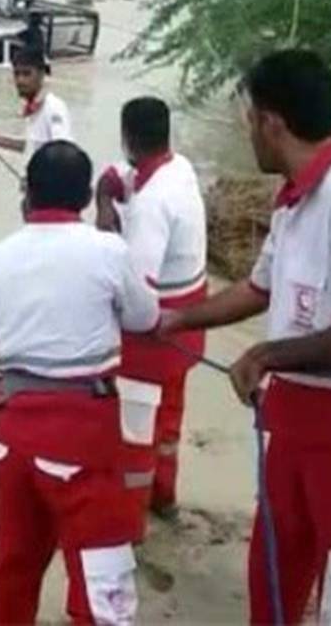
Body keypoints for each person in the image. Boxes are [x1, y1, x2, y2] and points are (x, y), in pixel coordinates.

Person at [160, 49, 331, 625]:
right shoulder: (293, 203)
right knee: (276, 560)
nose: (247, 130)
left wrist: (265, 354)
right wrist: (177, 318)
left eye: (249, 118)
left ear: (272, 123)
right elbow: (259, 288)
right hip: (297, 417)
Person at [0, 139, 159, 625]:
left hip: (11, 430)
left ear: (28, 195)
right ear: (83, 199)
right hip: (82, 437)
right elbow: (145, 317)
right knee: (101, 575)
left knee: (12, 561)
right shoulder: (108, 251)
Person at [93, 96, 208, 535]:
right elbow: (114, 176)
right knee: (170, 422)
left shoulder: (151, 205)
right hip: (190, 326)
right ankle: (164, 498)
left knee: (136, 431)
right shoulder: (178, 169)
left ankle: (129, 522)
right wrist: (105, 200)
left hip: (157, 335)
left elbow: (139, 300)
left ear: (127, 137)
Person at [0, 47, 71, 159]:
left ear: (41, 74)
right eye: (16, 74)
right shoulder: (33, 108)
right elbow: (33, 146)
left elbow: (63, 153)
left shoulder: (54, 107)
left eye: (27, 74)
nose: (20, 80)